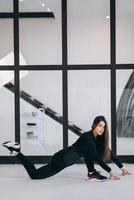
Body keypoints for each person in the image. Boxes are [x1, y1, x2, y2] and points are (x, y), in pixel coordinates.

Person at [2, 116, 131, 181]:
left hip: (64, 160)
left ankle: (17, 151)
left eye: (103, 126)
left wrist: (122, 167)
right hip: (62, 159)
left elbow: (109, 153)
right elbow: (95, 157)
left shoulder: (96, 140)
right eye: (99, 126)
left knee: (34, 175)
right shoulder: (88, 138)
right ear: (93, 125)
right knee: (35, 176)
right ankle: (91, 173)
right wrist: (110, 172)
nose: (101, 129)